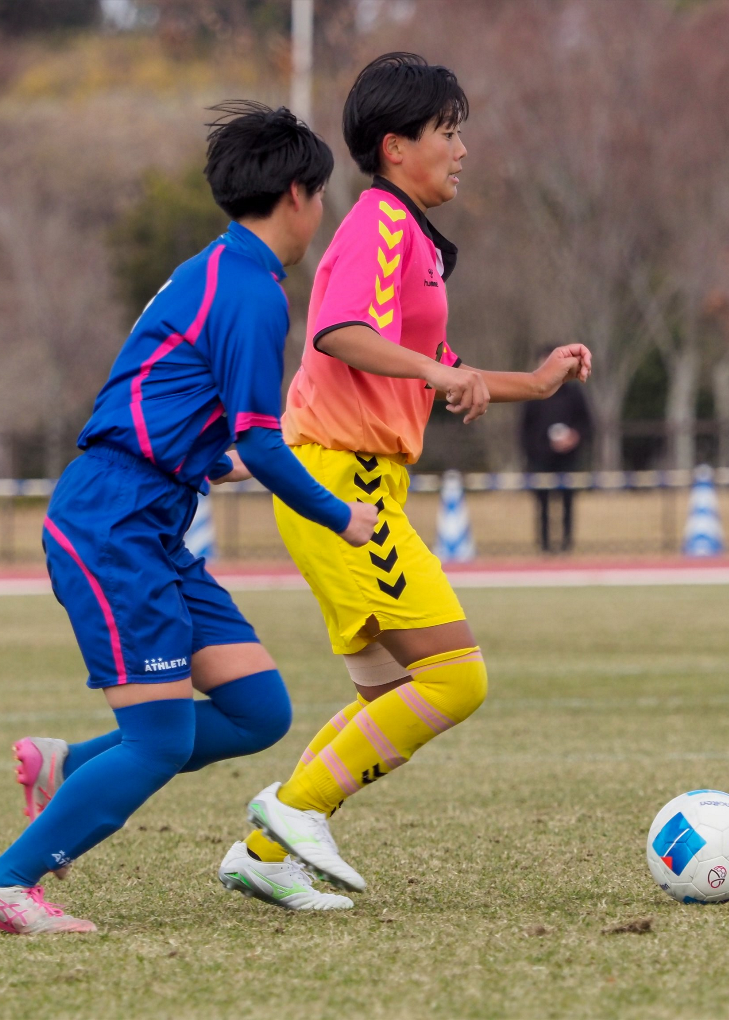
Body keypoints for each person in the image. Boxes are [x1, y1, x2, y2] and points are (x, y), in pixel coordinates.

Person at [0, 102, 379, 935]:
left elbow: (161, 387)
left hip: (148, 517)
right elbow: (262, 444)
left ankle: (68, 765)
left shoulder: (215, 268)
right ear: (299, 193)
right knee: (155, 741)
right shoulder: (253, 291)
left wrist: (198, 455)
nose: (322, 212)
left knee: (258, 708)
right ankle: (3, 883)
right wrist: (340, 516)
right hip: (113, 522)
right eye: (323, 195)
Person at [238, 53, 592, 901]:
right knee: (456, 677)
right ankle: (296, 808)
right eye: (448, 130)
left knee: (390, 692)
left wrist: (531, 384)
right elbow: (335, 330)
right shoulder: (379, 223)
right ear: (396, 146)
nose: (462, 148)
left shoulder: (417, 241)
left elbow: (433, 363)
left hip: (364, 484)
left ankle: (261, 856)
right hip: (340, 482)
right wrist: (437, 378)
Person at [519, 347, 594, 552]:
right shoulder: (531, 393)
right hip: (540, 458)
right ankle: (544, 546)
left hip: (568, 458)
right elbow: (524, 429)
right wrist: (531, 454)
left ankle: (567, 545)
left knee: (568, 502)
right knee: (542, 504)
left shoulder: (574, 393)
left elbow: (586, 423)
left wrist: (574, 438)